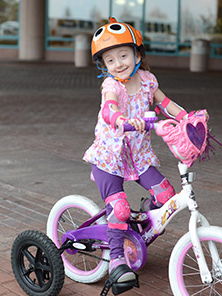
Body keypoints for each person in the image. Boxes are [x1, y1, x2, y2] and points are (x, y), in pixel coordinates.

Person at [83, 17, 190, 289]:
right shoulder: (112, 85)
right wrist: (120, 119)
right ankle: (117, 259)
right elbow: (109, 108)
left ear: (136, 54)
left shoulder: (147, 81)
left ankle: (139, 224)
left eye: (123, 55)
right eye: (110, 60)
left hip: (139, 155)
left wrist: (188, 117)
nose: (118, 63)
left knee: (166, 195)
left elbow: (165, 103)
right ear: (104, 66)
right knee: (118, 208)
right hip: (110, 157)